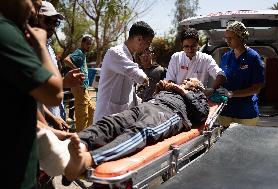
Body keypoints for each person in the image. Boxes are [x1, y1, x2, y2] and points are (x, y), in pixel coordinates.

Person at [38, 78, 209, 181]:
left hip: (169, 114)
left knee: (140, 132)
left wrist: (182, 91)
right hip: (148, 106)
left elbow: (201, 114)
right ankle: (75, 144)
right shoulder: (174, 89)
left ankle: (87, 159)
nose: (185, 81)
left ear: (197, 87)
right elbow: (150, 98)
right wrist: (159, 90)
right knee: (111, 123)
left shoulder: (198, 96)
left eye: (189, 81)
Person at [0, 0, 63, 188]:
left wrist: (53, 131)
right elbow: (54, 92)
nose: (34, 11)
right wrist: (41, 46)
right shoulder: (6, 33)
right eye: (33, 3)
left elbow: (20, 104)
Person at [94, 21, 154, 122]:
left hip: (120, 117)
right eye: (148, 42)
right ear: (139, 39)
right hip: (107, 116)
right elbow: (140, 77)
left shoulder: (130, 56)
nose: (147, 47)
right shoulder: (116, 53)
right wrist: (147, 80)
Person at [217, 21, 264, 127]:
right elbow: (222, 79)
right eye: (226, 38)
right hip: (226, 111)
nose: (227, 41)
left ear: (241, 37)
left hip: (246, 113)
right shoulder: (226, 57)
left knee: (244, 143)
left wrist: (231, 94)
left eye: (231, 38)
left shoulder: (253, 57)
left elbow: (256, 88)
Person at [64, 36, 96, 132]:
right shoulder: (79, 52)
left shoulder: (83, 54)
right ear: (82, 43)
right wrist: (76, 69)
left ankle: (86, 132)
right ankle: (81, 137)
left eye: (90, 45)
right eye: (87, 44)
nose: (88, 47)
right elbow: (66, 60)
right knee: (83, 115)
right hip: (79, 88)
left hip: (84, 88)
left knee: (92, 110)